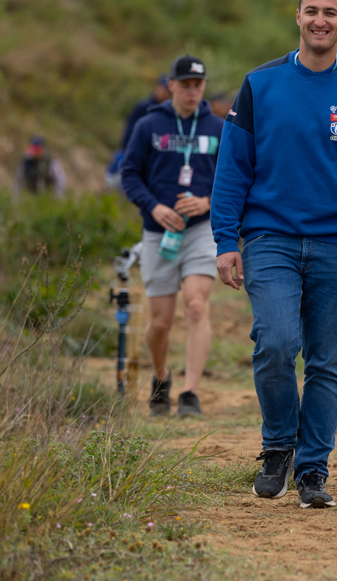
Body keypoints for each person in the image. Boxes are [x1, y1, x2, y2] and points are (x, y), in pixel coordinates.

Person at [212, 0, 337, 509]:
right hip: (269, 237)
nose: (320, 20)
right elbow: (232, 168)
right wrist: (226, 239)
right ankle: (278, 449)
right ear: (297, 16)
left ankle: (313, 469)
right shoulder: (260, 84)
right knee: (275, 344)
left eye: (330, 12)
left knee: (325, 361)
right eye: (311, 10)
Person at [120, 54, 224, 419]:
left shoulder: (219, 128)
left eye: (198, 85)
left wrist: (207, 201)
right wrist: (154, 208)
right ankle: (161, 377)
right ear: (172, 86)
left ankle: (190, 392)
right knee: (160, 322)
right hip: (159, 232)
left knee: (196, 305)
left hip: (201, 229)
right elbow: (129, 174)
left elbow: (235, 178)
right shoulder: (149, 125)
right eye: (186, 85)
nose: (193, 92)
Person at [107, 76, 172, 188]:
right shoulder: (144, 106)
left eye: (168, 91)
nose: (166, 93)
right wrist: (127, 146)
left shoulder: (170, 111)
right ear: (157, 87)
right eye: (164, 89)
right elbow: (131, 127)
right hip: (133, 150)